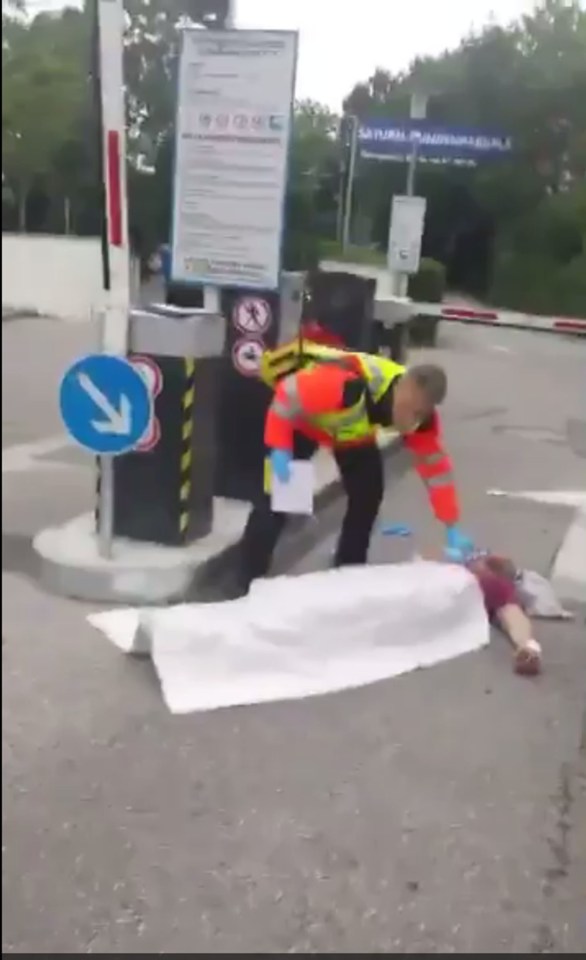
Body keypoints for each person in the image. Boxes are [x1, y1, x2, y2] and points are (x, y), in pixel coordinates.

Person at [234, 324, 473, 594]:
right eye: (411, 410)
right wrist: (280, 448)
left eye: (420, 414)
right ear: (404, 387)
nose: (412, 421)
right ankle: (246, 581)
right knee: (278, 501)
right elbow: (286, 399)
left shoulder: (421, 421)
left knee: (368, 493)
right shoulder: (344, 384)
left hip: (348, 433)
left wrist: (451, 523)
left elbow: (435, 470)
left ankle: (347, 575)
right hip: (299, 422)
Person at [422, 549, 543, 675]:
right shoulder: (492, 578)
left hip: (465, 587)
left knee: (509, 611)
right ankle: (528, 647)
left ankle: (528, 648)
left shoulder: (494, 581)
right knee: (509, 611)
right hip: (463, 587)